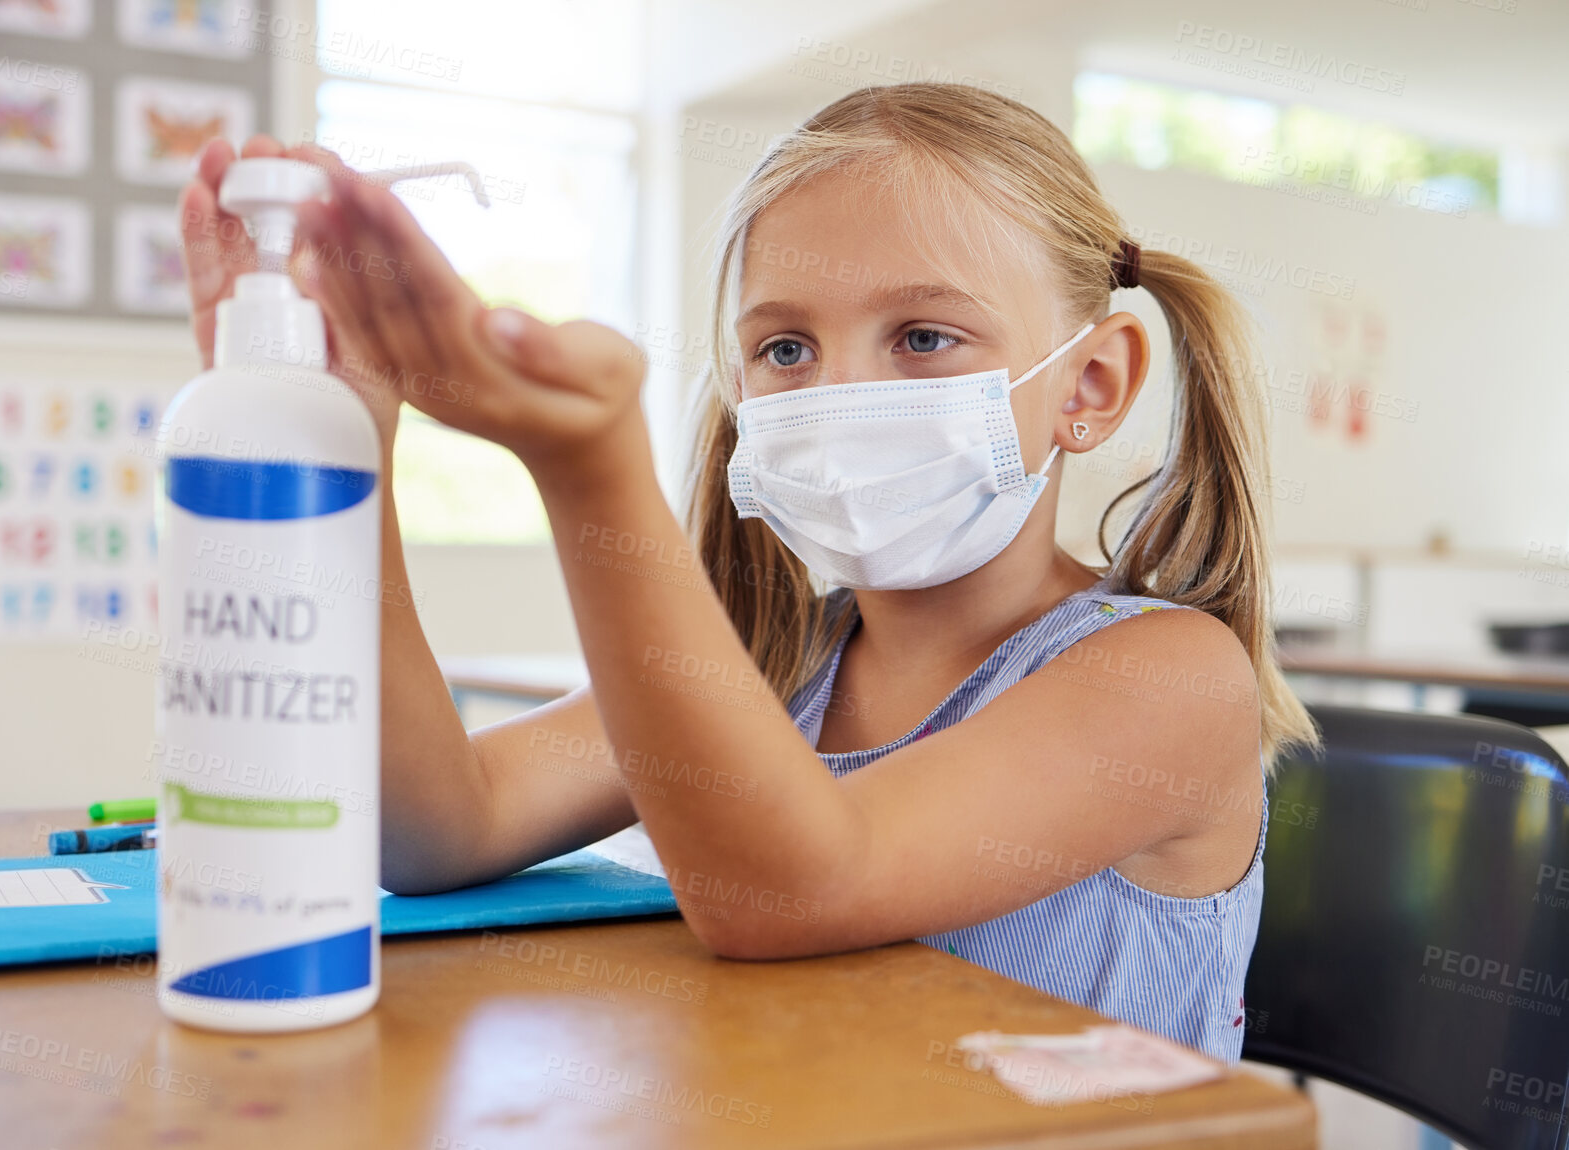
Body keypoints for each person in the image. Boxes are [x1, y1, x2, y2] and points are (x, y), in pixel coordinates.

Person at [179, 82, 1317, 1063]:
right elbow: (436, 830)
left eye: (922, 335)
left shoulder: (1170, 680)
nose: (832, 394)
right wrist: (337, 429)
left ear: (1090, 384)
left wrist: (588, 470)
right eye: (783, 348)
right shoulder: (780, 668)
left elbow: (788, 892)